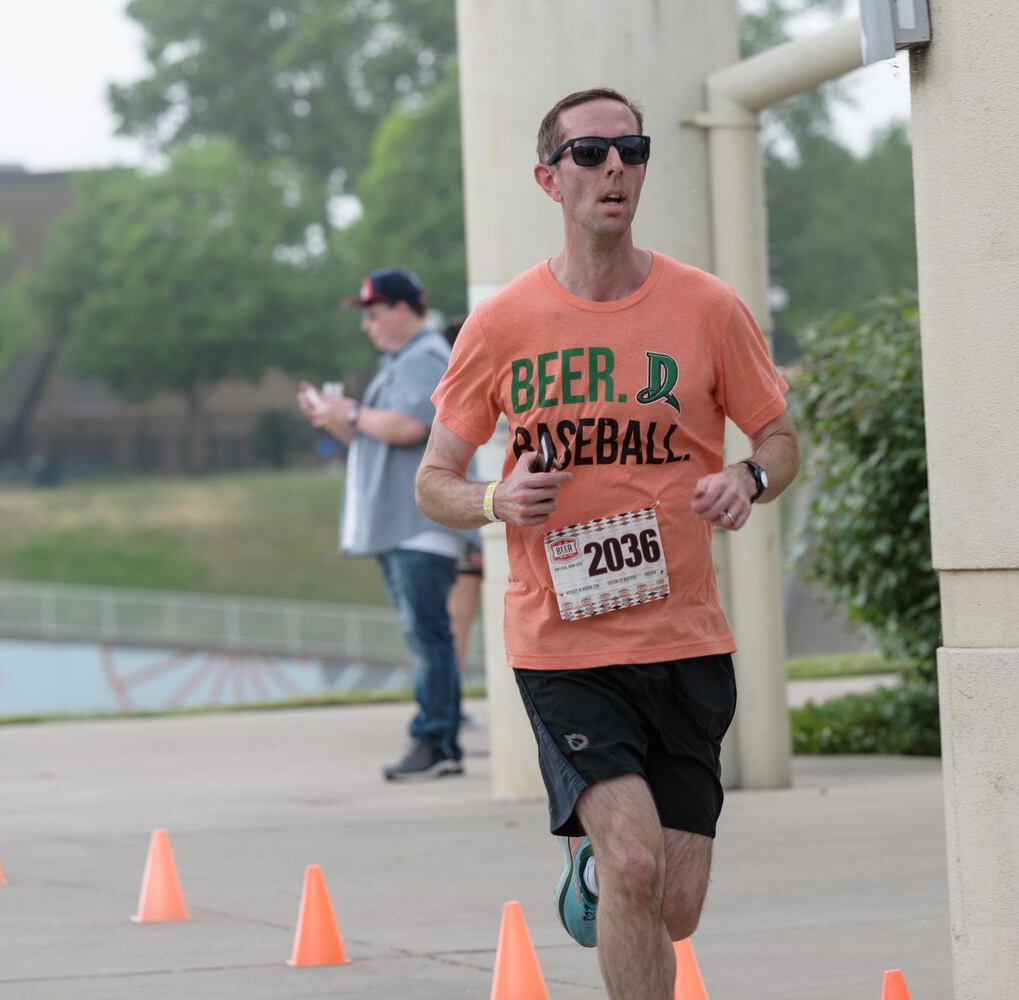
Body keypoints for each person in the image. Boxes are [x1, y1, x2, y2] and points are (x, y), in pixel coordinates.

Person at [414, 88, 800, 999]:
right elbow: (433, 480)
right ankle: (605, 862)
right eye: (590, 154)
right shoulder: (503, 324)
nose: (614, 167)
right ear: (550, 179)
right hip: (563, 643)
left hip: (686, 639)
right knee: (633, 863)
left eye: (630, 149)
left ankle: (589, 872)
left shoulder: (707, 308)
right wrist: (495, 500)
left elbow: (780, 441)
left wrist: (745, 480)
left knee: (673, 904)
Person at [298, 267, 467, 782]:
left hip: (419, 524)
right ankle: (437, 736)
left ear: (401, 309)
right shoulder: (401, 361)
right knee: (425, 636)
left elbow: (409, 426)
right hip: (402, 523)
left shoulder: (423, 358)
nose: (368, 325)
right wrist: (340, 420)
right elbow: (378, 437)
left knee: (427, 636)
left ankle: (436, 739)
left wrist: (350, 411)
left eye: (373, 314)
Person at [441, 313, 484, 671]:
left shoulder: (457, 388)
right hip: (478, 526)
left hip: (475, 526)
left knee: (459, 620)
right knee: (459, 619)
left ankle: (453, 699)